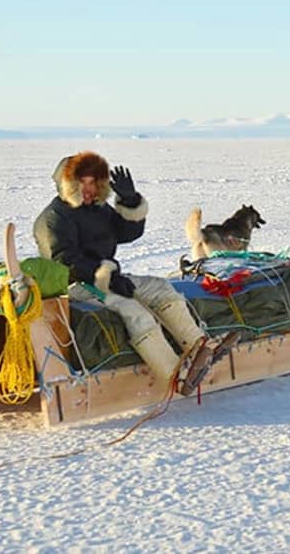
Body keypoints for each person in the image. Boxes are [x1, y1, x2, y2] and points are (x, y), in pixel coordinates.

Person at [32, 151, 235, 394]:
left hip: (109, 278)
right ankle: (177, 376)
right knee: (135, 312)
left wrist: (130, 202)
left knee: (160, 288)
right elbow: (64, 260)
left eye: (93, 182)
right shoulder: (54, 218)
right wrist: (108, 277)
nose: (89, 189)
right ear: (68, 185)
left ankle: (200, 347)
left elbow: (127, 233)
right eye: (82, 183)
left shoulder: (97, 209)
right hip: (76, 286)